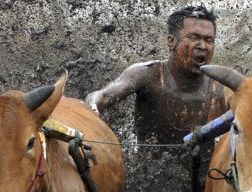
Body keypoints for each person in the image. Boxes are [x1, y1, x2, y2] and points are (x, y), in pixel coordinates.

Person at [85, 5, 228, 145]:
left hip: (209, 169)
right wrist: (93, 107)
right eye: (194, 37)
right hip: (147, 166)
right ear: (171, 41)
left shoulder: (223, 89)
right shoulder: (147, 74)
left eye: (209, 40)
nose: (203, 46)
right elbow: (102, 96)